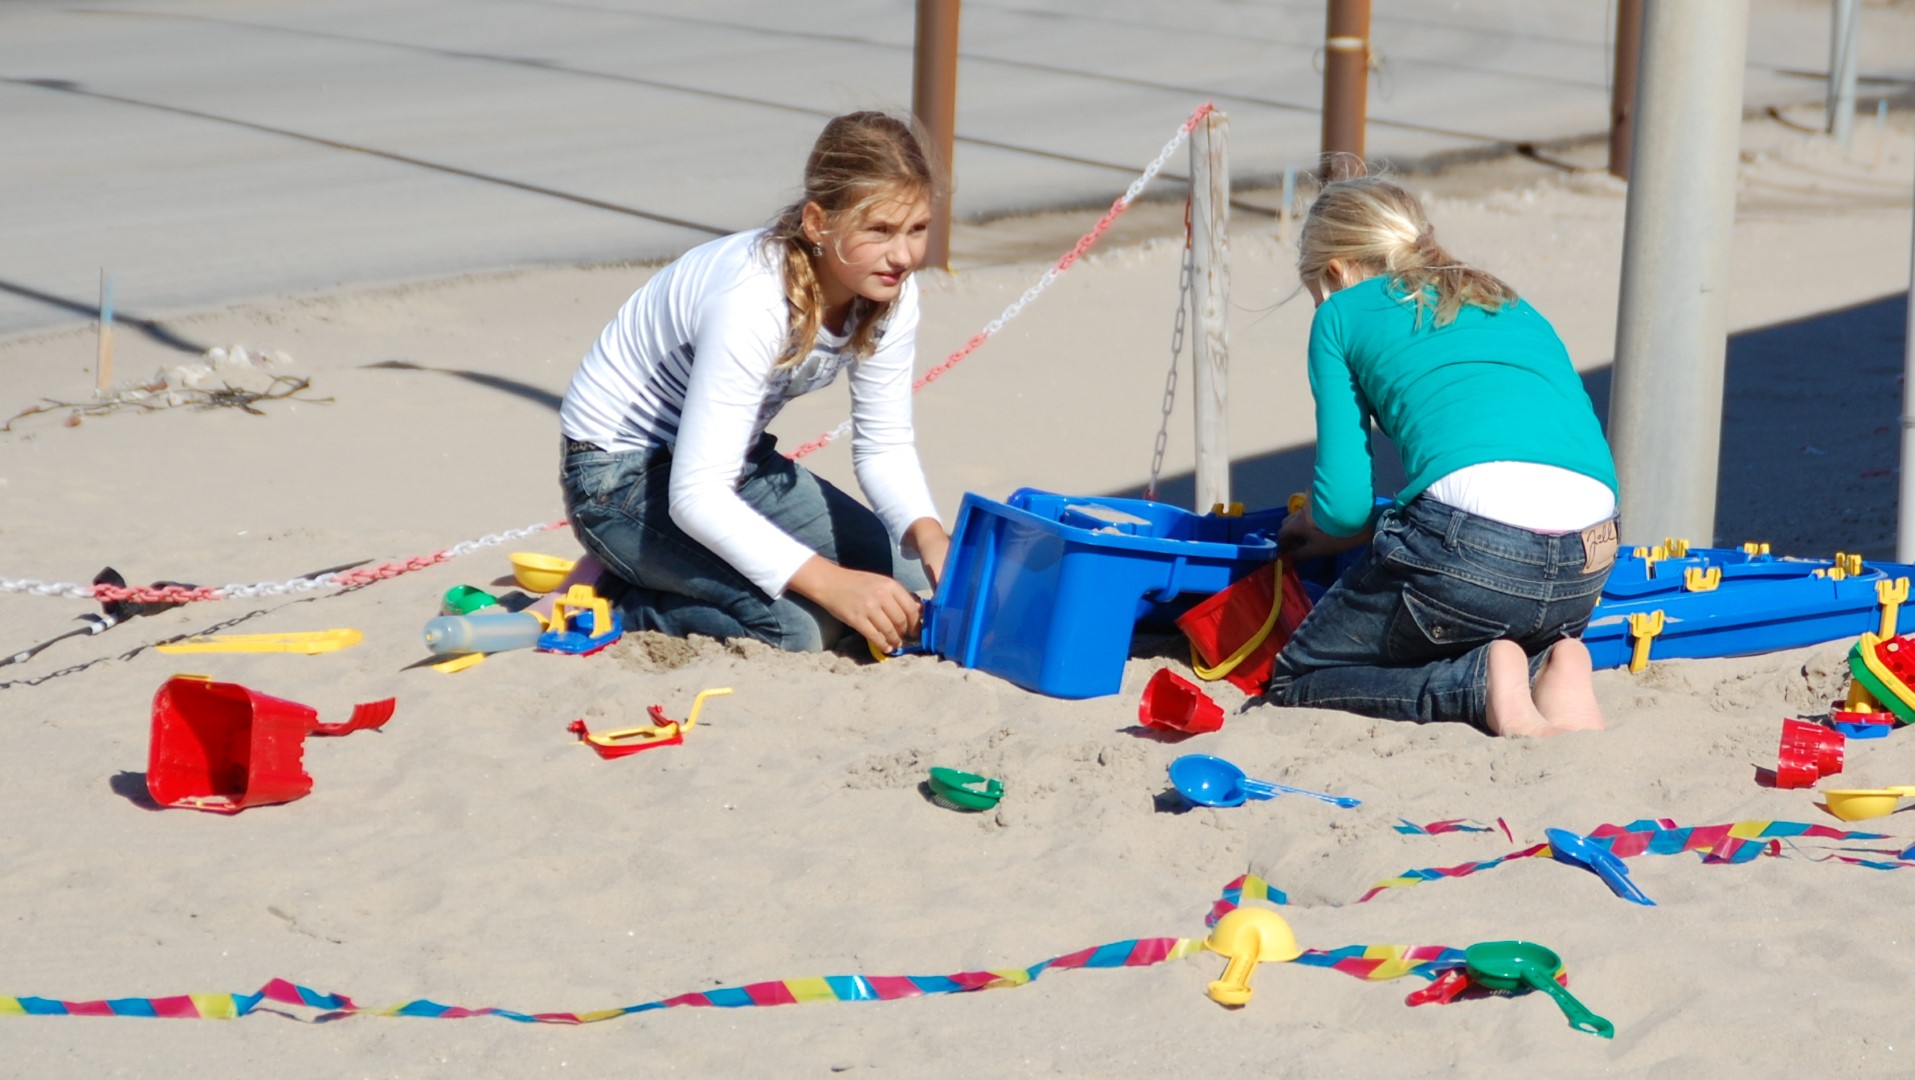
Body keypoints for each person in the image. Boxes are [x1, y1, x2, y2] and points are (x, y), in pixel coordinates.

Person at [555, 111, 949, 655]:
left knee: (887, 569)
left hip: (729, 461)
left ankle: (651, 561)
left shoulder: (888, 291)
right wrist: (832, 586)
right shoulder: (754, 298)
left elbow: (883, 443)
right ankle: (616, 593)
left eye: (917, 229)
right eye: (879, 230)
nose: (903, 255)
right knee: (800, 627)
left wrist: (931, 537)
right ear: (817, 223)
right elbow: (695, 497)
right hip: (618, 476)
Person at [1264, 176, 1619, 738]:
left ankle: (1479, 683)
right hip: (1587, 557)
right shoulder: (1502, 296)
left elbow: (1344, 508)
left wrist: (1311, 526)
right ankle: (1553, 664)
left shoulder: (1342, 311)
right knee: (1482, 609)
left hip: (1478, 547)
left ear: (1335, 271)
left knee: (1299, 676)